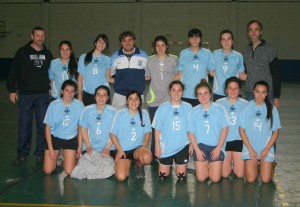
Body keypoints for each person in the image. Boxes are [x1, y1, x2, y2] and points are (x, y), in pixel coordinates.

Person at [7, 26, 53, 164]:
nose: (40, 38)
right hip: (26, 95)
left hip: (43, 95)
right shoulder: (22, 52)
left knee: (42, 125)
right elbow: (13, 71)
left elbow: (52, 72)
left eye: (42, 36)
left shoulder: (48, 54)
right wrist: (12, 90)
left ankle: (40, 153)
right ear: (32, 36)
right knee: (24, 125)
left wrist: (51, 86)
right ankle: (22, 153)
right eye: (37, 35)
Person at [188, 79, 229, 182]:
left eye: (206, 93)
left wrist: (218, 148)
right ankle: (204, 164)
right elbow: (191, 132)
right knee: (201, 179)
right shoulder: (193, 111)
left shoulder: (220, 108)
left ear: (210, 94)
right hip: (200, 146)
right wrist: (196, 149)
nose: (203, 96)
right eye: (200, 94)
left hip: (216, 146)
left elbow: (225, 128)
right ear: (197, 96)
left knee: (215, 179)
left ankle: (212, 164)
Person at [239, 81, 280, 183]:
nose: (260, 95)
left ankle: (271, 165)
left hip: (265, 147)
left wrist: (267, 149)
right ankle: (253, 166)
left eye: (263, 92)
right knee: (250, 179)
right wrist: (250, 149)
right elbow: (241, 131)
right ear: (253, 92)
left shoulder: (272, 109)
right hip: (250, 146)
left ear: (267, 93)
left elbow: (276, 131)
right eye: (257, 92)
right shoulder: (246, 108)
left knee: (265, 180)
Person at [144, 35, 178, 155]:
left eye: (162, 45)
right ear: (154, 47)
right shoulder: (150, 60)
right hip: (154, 100)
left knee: (168, 127)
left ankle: (168, 152)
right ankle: (155, 153)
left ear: (167, 46)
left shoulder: (174, 59)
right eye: (157, 45)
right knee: (155, 128)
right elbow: (147, 77)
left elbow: (177, 76)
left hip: (169, 99)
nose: (160, 48)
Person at [152, 80, 192, 180]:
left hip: (182, 145)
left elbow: (192, 129)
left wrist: (191, 144)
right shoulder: (162, 107)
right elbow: (157, 129)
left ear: (183, 92)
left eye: (179, 90)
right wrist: (157, 146)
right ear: (169, 91)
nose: (176, 93)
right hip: (166, 147)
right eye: (173, 90)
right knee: (162, 176)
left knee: (181, 176)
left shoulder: (188, 107)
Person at [43, 80, 84, 175]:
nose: (69, 94)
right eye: (67, 90)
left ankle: (70, 159)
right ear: (62, 91)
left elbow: (81, 127)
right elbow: (47, 128)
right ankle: (59, 156)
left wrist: (80, 145)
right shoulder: (54, 105)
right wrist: (51, 149)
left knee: (69, 171)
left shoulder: (79, 105)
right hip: (55, 138)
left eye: (72, 91)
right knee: (48, 170)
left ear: (75, 92)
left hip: (71, 139)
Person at [110, 90, 152, 181]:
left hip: (137, 148)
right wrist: (120, 150)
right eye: (130, 99)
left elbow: (148, 132)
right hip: (123, 150)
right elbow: (112, 134)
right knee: (121, 177)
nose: (133, 102)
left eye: (136, 99)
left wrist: (144, 146)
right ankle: (127, 163)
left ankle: (139, 165)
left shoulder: (143, 113)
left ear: (140, 101)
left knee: (147, 158)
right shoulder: (120, 113)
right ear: (127, 101)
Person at [243, 20, 281, 108]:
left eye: (256, 29)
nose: (253, 32)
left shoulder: (270, 51)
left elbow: (276, 75)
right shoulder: (245, 52)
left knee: (267, 119)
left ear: (261, 32)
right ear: (248, 33)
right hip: (250, 93)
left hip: (266, 94)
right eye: (251, 30)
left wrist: (276, 97)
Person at [216, 77, 248, 178]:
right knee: (225, 174)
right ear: (226, 90)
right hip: (224, 141)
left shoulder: (245, 104)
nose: (233, 91)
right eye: (230, 88)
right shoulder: (219, 103)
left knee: (239, 174)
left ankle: (237, 161)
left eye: (236, 88)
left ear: (239, 89)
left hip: (239, 140)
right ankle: (229, 162)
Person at [175, 28, 214, 107]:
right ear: (189, 39)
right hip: (186, 93)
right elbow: (179, 73)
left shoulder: (207, 53)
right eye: (192, 37)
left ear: (200, 39)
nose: (194, 39)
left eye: (197, 37)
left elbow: (212, 73)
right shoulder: (183, 53)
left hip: (202, 94)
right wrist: (168, 84)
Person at [110, 31, 148, 109]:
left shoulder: (144, 56)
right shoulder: (114, 56)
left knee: (137, 119)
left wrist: (138, 80)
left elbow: (148, 75)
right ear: (121, 43)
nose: (127, 43)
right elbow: (111, 74)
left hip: (137, 95)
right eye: (124, 40)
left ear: (134, 41)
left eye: (130, 40)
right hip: (120, 95)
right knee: (118, 118)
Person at [80, 85, 117, 157]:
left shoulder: (114, 112)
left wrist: (107, 148)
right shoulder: (87, 110)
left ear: (108, 97)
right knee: (87, 166)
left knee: (107, 167)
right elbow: (83, 129)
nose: (101, 97)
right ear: (95, 96)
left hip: (109, 147)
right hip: (89, 146)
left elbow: (115, 131)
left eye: (104, 95)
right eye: (98, 95)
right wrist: (88, 146)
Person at [77, 34, 113, 106]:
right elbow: (80, 78)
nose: (101, 44)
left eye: (104, 42)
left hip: (103, 96)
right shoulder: (84, 57)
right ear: (95, 43)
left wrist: (125, 79)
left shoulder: (107, 59)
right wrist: (79, 95)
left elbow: (109, 79)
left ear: (106, 46)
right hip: (88, 94)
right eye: (100, 41)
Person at [212, 30, 247, 101]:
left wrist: (257, 75)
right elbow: (209, 72)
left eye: (229, 39)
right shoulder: (214, 54)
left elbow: (242, 76)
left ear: (232, 41)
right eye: (223, 39)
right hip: (218, 93)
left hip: (234, 93)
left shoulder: (238, 56)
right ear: (220, 42)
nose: (226, 42)